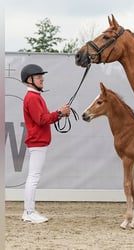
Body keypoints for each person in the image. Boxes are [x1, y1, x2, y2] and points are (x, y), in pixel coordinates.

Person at [20, 64, 70, 223]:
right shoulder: (33, 97)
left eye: (41, 76)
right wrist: (60, 113)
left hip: (38, 142)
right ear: (30, 80)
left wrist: (59, 114)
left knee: (33, 176)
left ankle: (29, 210)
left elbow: (44, 117)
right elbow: (41, 120)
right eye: (38, 76)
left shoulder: (35, 96)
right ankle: (28, 212)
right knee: (33, 177)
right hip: (37, 142)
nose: (42, 78)